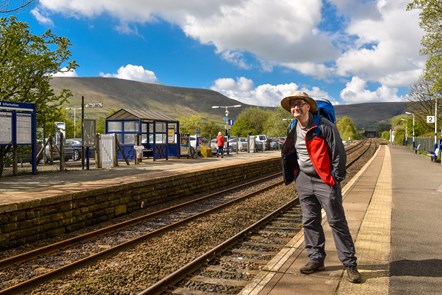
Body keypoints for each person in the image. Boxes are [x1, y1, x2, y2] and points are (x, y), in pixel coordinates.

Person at [280, 91, 361, 283]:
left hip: (325, 180)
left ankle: (350, 264)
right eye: (293, 105)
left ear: (308, 106)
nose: (296, 108)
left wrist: (335, 178)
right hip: (304, 180)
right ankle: (316, 259)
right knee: (309, 221)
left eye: (300, 103)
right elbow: (291, 151)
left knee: (336, 221)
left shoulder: (325, 126)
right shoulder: (293, 127)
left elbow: (338, 153)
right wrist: (294, 174)